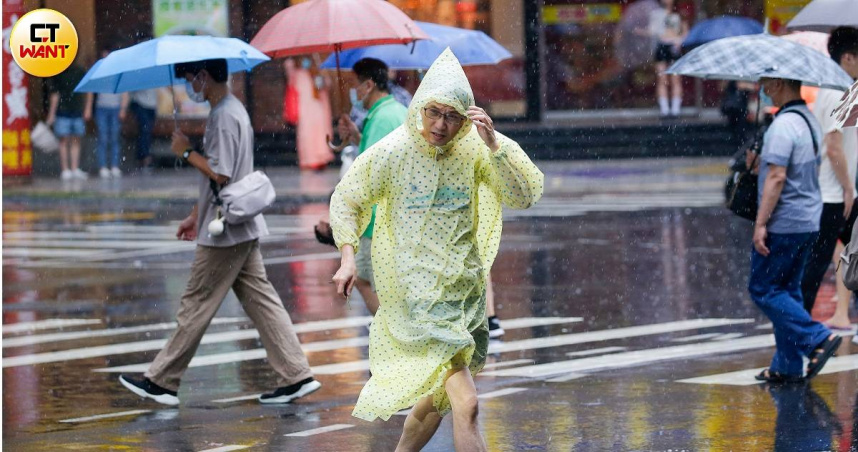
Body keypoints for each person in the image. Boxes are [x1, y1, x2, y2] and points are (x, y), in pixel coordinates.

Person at [330, 49, 543, 450]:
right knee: (468, 402)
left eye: (452, 117)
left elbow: (525, 194)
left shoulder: (476, 148)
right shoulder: (395, 151)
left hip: (464, 294)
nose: (441, 125)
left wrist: (496, 145)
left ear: (467, 118)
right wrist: (346, 256)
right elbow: (349, 198)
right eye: (433, 112)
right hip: (419, 294)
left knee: (438, 400)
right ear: (420, 106)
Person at [118, 59, 320, 406]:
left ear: (204, 77)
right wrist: (196, 214)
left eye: (190, 78)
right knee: (262, 302)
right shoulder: (232, 110)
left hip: (226, 230)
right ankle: (296, 374)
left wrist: (186, 151)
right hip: (233, 222)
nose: (188, 86)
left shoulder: (224, 116)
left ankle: (163, 380)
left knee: (197, 302)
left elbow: (222, 174)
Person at [746, 76, 841, 383]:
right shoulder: (807, 120)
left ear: (777, 83)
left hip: (784, 221)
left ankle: (817, 338)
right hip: (807, 219)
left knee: (763, 288)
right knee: (787, 290)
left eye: (765, 81)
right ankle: (786, 364)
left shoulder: (784, 125)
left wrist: (761, 224)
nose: (762, 86)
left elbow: (777, 177)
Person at [803, 27, 858, 327]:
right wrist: (849, 188)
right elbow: (834, 145)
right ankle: (796, 326)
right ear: (848, 57)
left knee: (837, 258)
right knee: (817, 262)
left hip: (840, 193)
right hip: (834, 194)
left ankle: (802, 324)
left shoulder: (842, 88)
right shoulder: (838, 91)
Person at [283, 57, 334, 170]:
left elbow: (325, 86)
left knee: (319, 134)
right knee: (306, 135)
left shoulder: (317, 74)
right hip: (304, 111)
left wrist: (321, 70)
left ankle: (320, 158)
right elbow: (289, 71)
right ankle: (308, 159)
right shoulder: (298, 74)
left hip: (317, 110)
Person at [85, 49, 129, 179]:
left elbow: (124, 92)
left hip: (115, 108)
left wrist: (123, 109)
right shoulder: (99, 72)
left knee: (115, 138)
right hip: (101, 109)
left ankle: (114, 165)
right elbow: (91, 91)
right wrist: (88, 108)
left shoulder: (118, 72)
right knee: (103, 137)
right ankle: (103, 166)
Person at [46, 61, 88, 180]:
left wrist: (87, 108)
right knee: (64, 140)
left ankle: (74, 168)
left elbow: (87, 90)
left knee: (75, 140)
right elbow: (55, 94)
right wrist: (52, 113)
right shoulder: (59, 72)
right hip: (63, 111)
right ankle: (65, 169)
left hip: (77, 110)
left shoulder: (79, 70)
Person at [648, 0, 687, 118]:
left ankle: (675, 109)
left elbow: (685, 31)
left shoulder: (679, 14)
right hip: (661, 45)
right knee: (662, 79)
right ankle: (664, 109)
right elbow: (652, 31)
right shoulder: (656, 14)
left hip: (674, 46)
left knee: (675, 79)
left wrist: (679, 41)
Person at [130, 88, 158, 172]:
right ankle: (144, 157)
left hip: (152, 104)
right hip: (140, 103)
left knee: (148, 131)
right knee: (145, 130)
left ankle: (143, 156)